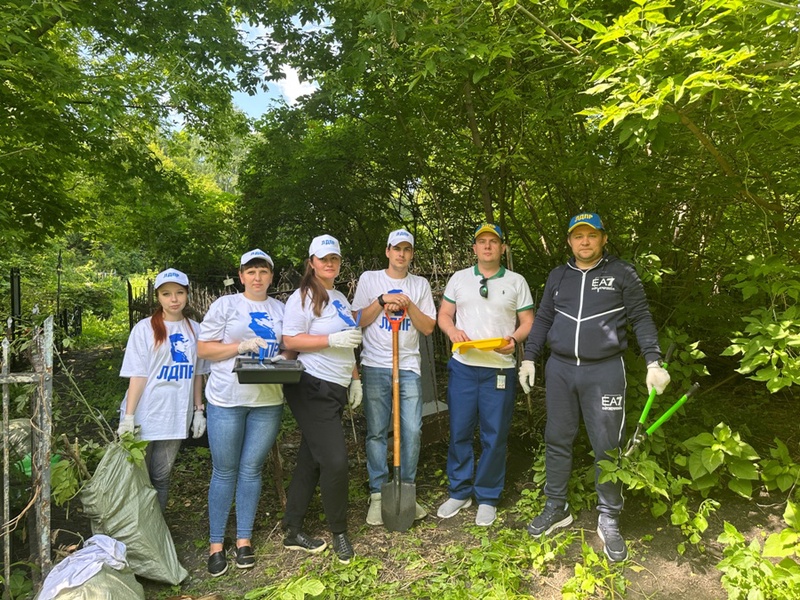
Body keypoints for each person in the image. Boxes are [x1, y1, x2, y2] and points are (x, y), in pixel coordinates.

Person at [518, 212, 671, 562]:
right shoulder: (558, 275)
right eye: (577, 236)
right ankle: (557, 506)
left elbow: (641, 317)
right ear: (569, 241)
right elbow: (542, 318)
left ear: (603, 238)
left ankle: (609, 516)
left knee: (608, 444)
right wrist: (529, 358)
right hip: (559, 370)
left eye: (591, 235)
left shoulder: (621, 273)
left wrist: (653, 361)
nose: (584, 242)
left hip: (604, 371)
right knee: (556, 438)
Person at [197, 249, 289, 577]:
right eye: (251, 271)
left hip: (267, 401)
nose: (257, 277)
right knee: (224, 470)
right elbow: (203, 348)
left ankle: (244, 539)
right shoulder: (226, 305)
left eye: (263, 271)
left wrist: (282, 356)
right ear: (241, 276)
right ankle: (216, 544)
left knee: (251, 469)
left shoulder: (280, 309)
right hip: (226, 399)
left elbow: (289, 345)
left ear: (271, 276)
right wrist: (239, 347)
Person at [436, 224, 534, 527]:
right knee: (460, 431)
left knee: (495, 435)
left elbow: (527, 320)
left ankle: (488, 496)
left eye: (494, 242)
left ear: (502, 248)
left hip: (499, 369)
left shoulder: (517, 281)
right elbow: (444, 315)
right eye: (482, 242)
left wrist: (514, 341)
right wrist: (452, 331)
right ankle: (460, 491)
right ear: (475, 248)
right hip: (464, 366)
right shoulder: (459, 279)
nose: (488, 247)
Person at [281, 234, 363, 564]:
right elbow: (291, 339)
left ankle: (292, 528)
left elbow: (347, 344)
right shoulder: (302, 298)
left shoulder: (340, 297)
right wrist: (331, 337)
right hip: (311, 384)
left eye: (335, 259)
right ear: (312, 262)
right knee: (335, 461)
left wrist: (355, 379)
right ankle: (339, 531)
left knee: (312, 458)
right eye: (323, 258)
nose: (330, 263)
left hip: (336, 387)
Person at [351, 229, 437, 526]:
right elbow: (357, 320)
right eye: (396, 248)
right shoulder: (369, 279)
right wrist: (382, 299)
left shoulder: (420, 285)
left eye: (407, 249)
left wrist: (407, 304)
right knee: (376, 431)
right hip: (375, 364)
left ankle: (406, 490)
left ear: (411, 254)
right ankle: (378, 494)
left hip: (409, 366)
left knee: (412, 429)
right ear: (387, 251)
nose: (401, 254)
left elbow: (428, 328)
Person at [118, 268, 208, 513]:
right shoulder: (144, 329)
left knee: (161, 476)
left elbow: (198, 374)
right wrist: (128, 416)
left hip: (176, 413)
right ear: (158, 296)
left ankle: (157, 530)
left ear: (187, 294)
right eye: (167, 294)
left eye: (179, 292)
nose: (174, 299)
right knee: (139, 477)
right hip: (145, 413)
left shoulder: (196, 330)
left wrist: (198, 410)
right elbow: (138, 375)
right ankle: (137, 533)